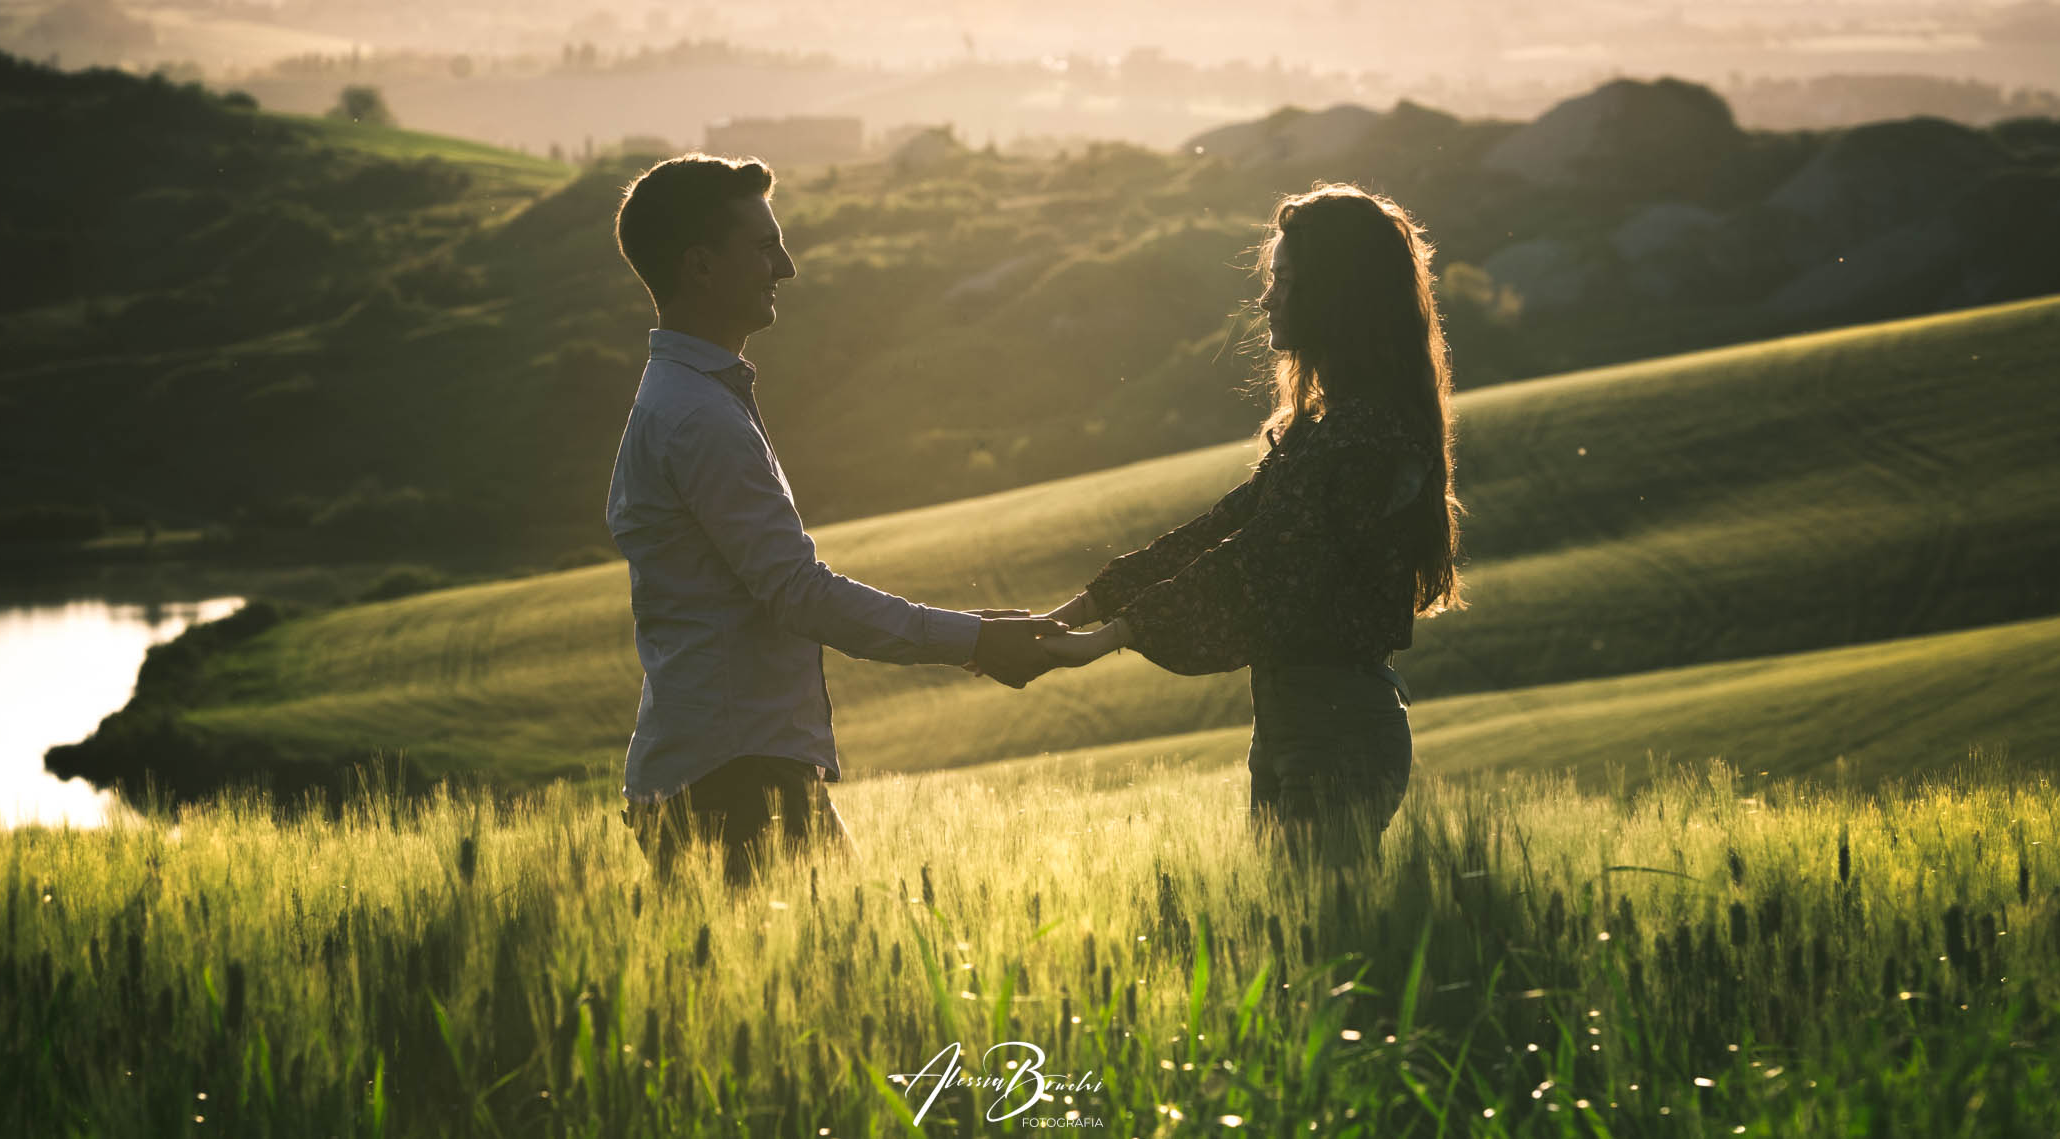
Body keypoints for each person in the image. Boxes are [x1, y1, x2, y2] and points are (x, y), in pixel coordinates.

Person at [607, 154, 1069, 886]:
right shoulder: (701, 418)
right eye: (763, 247)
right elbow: (801, 594)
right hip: (735, 778)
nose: (785, 267)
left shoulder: (684, 398)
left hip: (725, 765)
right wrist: (975, 638)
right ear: (700, 266)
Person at [1037, 184, 1464, 853]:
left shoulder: (1368, 436)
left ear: (1335, 295)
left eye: (1285, 281)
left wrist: (1107, 636)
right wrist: (1076, 609)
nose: (1266, 297)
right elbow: (1223, 526)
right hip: (1295, 725)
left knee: (1325, 942)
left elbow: (1261, 559)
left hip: (1336, 732)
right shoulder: (1331, 426)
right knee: (1298, 938)